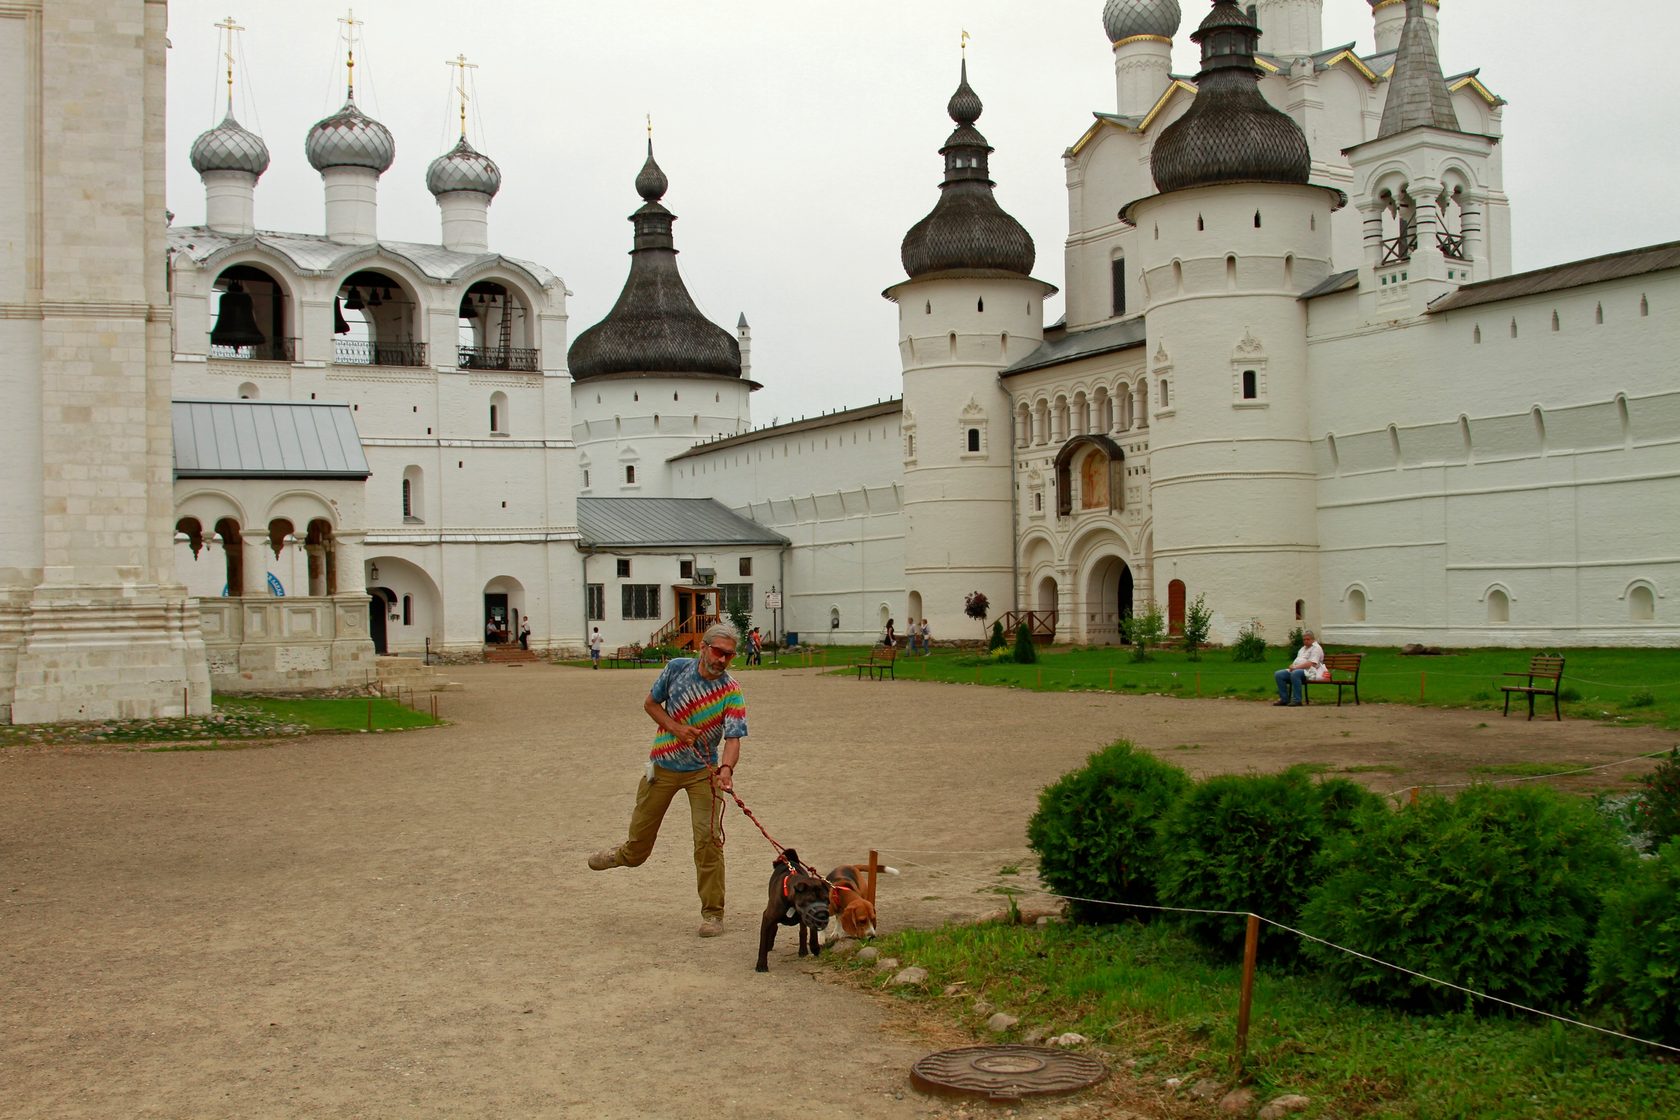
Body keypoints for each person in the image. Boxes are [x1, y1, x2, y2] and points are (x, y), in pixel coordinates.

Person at [588, 620, 747, 938]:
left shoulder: (731, 691)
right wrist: (676, 728)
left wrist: (726, 771)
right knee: (639, 849)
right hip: (662, 768)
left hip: (704, 774)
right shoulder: (675, 669)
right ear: (703, 648)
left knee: (709, 840)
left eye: (730, 655)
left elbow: (733, 738)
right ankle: (622, 855)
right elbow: (650, 703)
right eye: (718, 652)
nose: (723, 660)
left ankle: (713, 914)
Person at [1274, 630, 1327, 706]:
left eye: (1308, 639)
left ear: (1313, 639)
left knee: (1295, 673)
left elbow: (1311, 664)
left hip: (1311, 672)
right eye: (1304, 640)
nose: (1306, 641)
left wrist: (1295, 668)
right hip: (1299, 670)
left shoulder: (1316, 648)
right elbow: (1298, 660)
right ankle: (1284, 699)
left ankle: (1297, 700)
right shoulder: (1302, 649)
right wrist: (1292, 666)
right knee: (1279, 674)